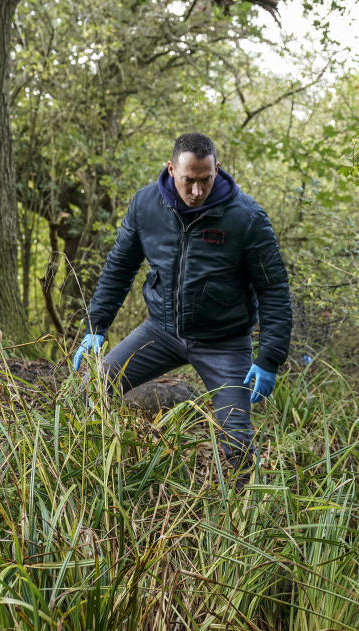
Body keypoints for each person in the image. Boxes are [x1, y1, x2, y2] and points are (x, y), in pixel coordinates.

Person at [73, 132, 292, 473]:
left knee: (237, 440)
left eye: (205, 180)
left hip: (224, 342)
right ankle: (99, 473)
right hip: (161, 332)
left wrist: (269, 358)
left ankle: (234, 516)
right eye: (189, 180)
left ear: (217, 170)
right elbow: (120, 266)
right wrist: (96, 325)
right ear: (171, 169)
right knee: (94, 386)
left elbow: (274, 289)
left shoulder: (246, 217)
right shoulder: (146, 206)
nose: (196, 191)